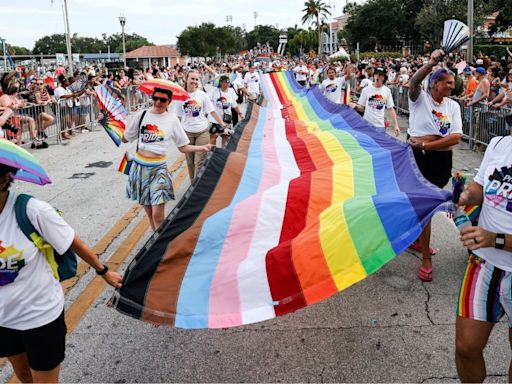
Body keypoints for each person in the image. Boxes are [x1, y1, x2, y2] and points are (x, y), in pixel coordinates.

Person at [0, 162, 122, 383]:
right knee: (24, 376)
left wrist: (103, 272)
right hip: (3, 320)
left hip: (39, 316)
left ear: (3, 180)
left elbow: (73, 242)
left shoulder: (31, 210)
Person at [455, 134, 512, 382]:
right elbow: (480, 187)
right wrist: (466, 195)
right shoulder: (499, 143)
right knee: (466, 347)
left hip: (495, 250)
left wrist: (494, 239)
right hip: (484, 264)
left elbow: (494, 238)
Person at [123, 86, 214, 230]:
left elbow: (182, 146)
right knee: (149, 212)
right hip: (140, 168)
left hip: (158, 170)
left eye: (163, 100)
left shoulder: (172, 120)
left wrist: (201, 147)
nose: (158, 102)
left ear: (169, 101)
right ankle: (155, 241)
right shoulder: (142, 115)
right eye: (155, 98)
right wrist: (109, 123)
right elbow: (125, 138)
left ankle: (161, 247)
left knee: (158, 216)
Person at [406, 49, 463, 281]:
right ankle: (426, 258)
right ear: (435, 83)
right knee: (425, 207)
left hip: (438, 161)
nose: (452, 86)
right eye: (448, 83)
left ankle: (416, 240)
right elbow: (414, 81)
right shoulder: (420, 99)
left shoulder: (453, 106)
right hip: (416, 159)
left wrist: (427, 144)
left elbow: (456, 138)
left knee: (425, 206)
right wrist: (430, 63)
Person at [174, 70, 226, 181]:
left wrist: (223, 126)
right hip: (186, 133)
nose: (194, 81)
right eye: (192, 78)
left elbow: (212, 111)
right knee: (190, 162)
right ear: (186, 79)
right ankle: (193, 182)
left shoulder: (202, 95)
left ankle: (196, 186)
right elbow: (177, 117)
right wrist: (175, 133)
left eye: (196, 79)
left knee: (200, 161)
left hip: (202, 131)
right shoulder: (180, 96)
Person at [353, 67, 400, 136]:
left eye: (380, 75)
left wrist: (396, 125)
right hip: (367, 124)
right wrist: (356, 106)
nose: (378, 77)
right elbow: (362, 108)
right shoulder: (366, 90)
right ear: (374, 75)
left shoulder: (387, 90)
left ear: (384, 78)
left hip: (379, 126)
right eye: (376, 74)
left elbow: (391, 109)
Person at [209, 75, 244, 147]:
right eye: (225, 82)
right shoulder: (214, 91)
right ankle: (212, 153)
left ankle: (222, 153)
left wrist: (240, 114)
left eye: (228, 82)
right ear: (221, 82)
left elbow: (234, 105)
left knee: (226, 136)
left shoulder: (231, 92)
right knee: (213, 137)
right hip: (215, 120)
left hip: (226, 119)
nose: (227, 84)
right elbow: (207, 103)